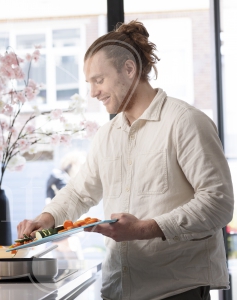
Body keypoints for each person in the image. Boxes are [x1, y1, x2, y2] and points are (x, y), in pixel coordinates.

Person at [17, 20, 234, 300]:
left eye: (99, 80)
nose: (93, 92)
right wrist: (48, 217)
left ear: (129, 70)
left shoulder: (185, 122)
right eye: (90, 83)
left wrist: (144, 228)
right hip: (117, 291)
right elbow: (78, 192)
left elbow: (218, 203)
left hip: (176, 291)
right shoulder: (107, 136)